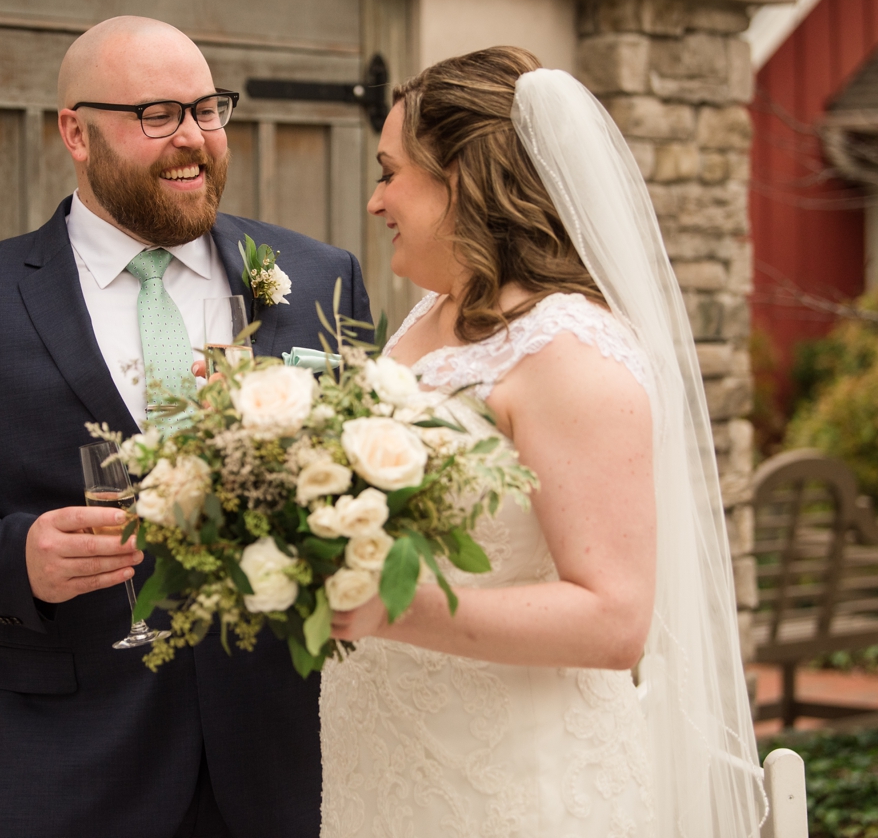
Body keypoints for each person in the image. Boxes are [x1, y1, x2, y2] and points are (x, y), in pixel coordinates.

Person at [0, 16, 372, 838]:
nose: (193, 138)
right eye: (156, 115)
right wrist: (15, 556)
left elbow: (362, 469)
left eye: (207, 109)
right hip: (75, 761)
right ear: (75, 132)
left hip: (283, 752)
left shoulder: (314, 277)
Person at [320, 47, 762, 837]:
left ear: (458, 177)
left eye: (390, 172)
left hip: (513, 788)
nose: (375, 198)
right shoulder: (430, 315)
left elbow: (615, 616)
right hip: (390, 764)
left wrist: (388, 608)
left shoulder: (572, 352)